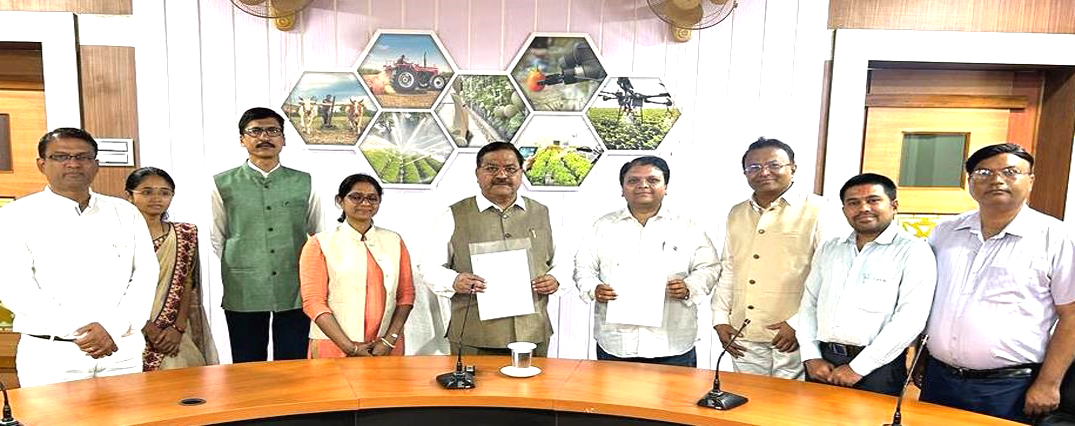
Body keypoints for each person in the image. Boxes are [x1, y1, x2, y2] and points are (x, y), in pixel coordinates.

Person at [921, 143, 1075, 424]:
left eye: (1010, 172)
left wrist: (1049, 383)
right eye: (984, 172)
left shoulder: (1057, 237)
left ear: (1031, 180)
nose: (996, 180)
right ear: (970, 181)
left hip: (1009, 386)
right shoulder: (944, 232)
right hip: (939, 378)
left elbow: (1072, 315)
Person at [0, 128, 157, 386]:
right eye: (61, 157)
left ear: (96, 164)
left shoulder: (124, 212)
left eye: (83, 157)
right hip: (52, 354)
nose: (73, 164)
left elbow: (145, 275)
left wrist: (112, 328)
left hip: (120, 350)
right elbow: (15, 287)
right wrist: (79, 331)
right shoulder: (15, 216)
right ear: (42, 164)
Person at [711, 137, 844, 379]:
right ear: (745, 173)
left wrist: (797, 324)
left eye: (774, 165)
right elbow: (729, 267)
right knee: (747, 395)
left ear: (793, 168)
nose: (764, 172)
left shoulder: (820, 209)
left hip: (791, 334)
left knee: (789, 400)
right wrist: (720, 319)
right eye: (754, 167)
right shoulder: (737, 212)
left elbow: (831, 274)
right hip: (743, 331)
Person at [418, 142, 566, 357]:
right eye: (491, 168)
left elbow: (564, 262)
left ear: (521, 172)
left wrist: (555, 279)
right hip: (473, 336)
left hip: (532, 334)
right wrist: (454, 280)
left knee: (534, 381)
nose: (501, 175)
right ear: (477, 174)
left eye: (510, 169)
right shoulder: (454, 215)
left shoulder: (543, 213)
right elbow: (428, 265)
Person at [796, 173, 936, 396]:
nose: (863, 208)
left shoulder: (914, 251)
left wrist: (858, 368)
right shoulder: (831, 247)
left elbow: (911, 318)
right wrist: (811, 355)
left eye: (873, 200)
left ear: (893, 205)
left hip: (879, 366)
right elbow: (809, 303)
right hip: (823, 361)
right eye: (853, 203)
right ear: (844, 210)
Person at [574, 156, 719, 367]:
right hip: (617, 343)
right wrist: (594, 288)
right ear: (622, 189)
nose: (643, 185)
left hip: (673, 343)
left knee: (676, 391)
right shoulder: (602, 227)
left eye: (652, 180)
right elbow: (583, 268)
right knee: (613, 390)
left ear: (665, 187)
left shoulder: (688, 228)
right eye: (633, 180)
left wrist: (689, 287)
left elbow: (709, 267)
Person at [211, 107, 322, 363]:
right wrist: (246, 262)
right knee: (247, 363)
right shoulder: (221, 184)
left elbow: (319, 235)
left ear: (283, 139)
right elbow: (217, 236)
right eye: (255, 131)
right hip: (243, 285)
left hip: (294, 283)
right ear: (242, 139)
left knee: (293, 362)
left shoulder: (306, 181)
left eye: (273, 131)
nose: (264, 137)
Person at [299, 174, 415, 357]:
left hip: (385, 346)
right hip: (334, 345)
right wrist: (349, 347)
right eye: (356, 197)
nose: (365, 203)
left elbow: (406, 296)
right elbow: (313, 302)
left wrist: (389, 340)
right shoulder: (320, 243)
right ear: (340, 201)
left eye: (372, 198)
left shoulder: (393, 240)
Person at [126, 167, 219, 371]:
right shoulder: (119, 236)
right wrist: (147, 328)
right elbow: (116, 288)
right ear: (130, 196)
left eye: (164, 192)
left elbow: (186, 283)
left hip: (174, 331)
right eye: (147, 192)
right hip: (129, 329)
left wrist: (178, 328)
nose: (156, 198)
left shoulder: (184, 234)